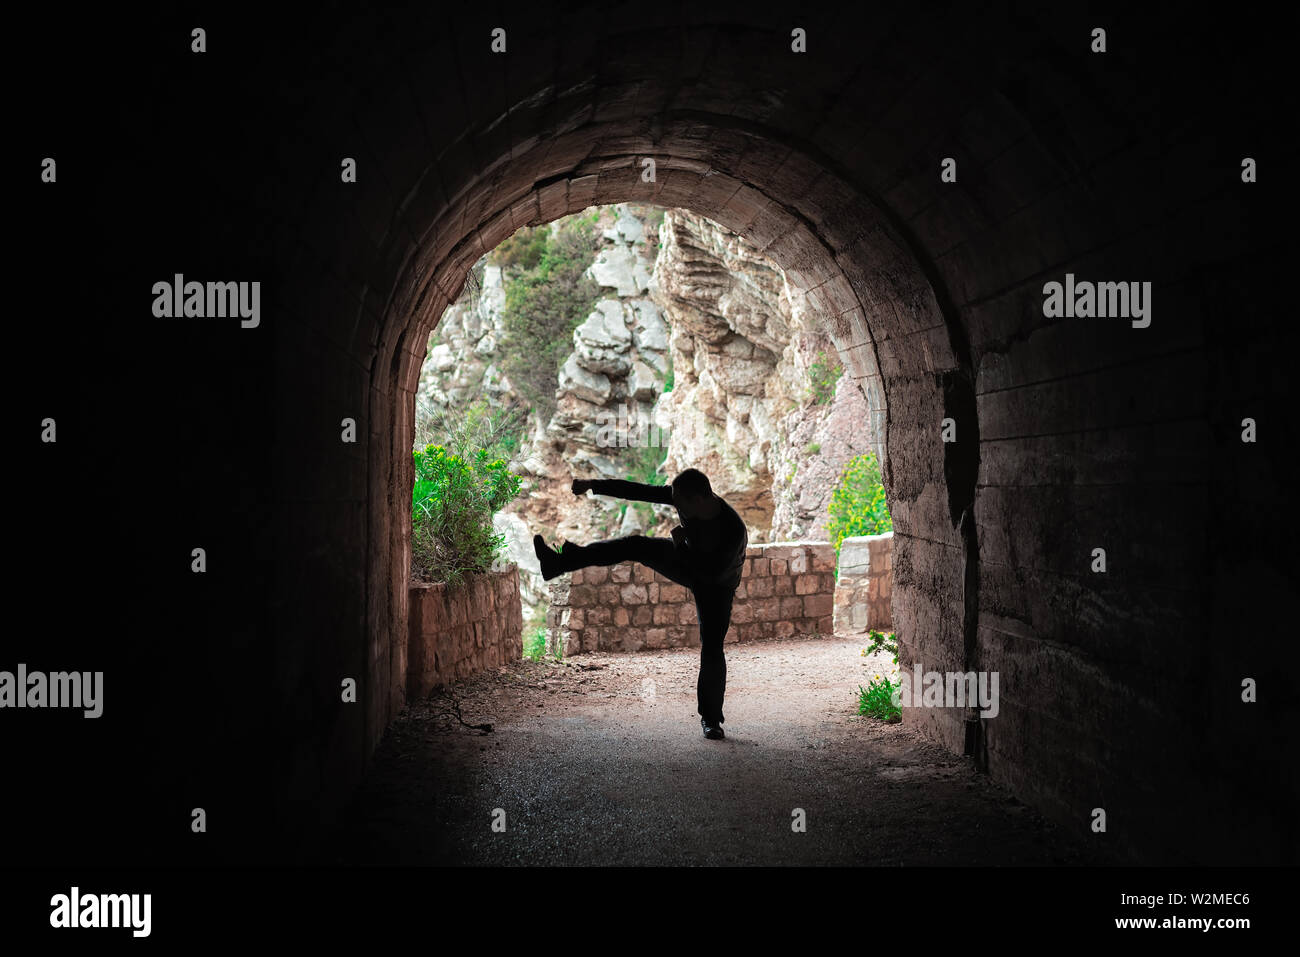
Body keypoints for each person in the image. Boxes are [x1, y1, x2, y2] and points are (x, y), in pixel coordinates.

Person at [533, 468, 748, 740]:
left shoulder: (732, 529)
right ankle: (560, 562)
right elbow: (637, 490)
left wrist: (680, 547)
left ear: (700, 500)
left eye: (680, 503)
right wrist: (592, 485)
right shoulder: (682, 496)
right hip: (688, 556)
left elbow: (710, 574)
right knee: (634, 544)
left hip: (717, 584)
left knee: (713, 648)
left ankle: (711, 719)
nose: (675, 506)